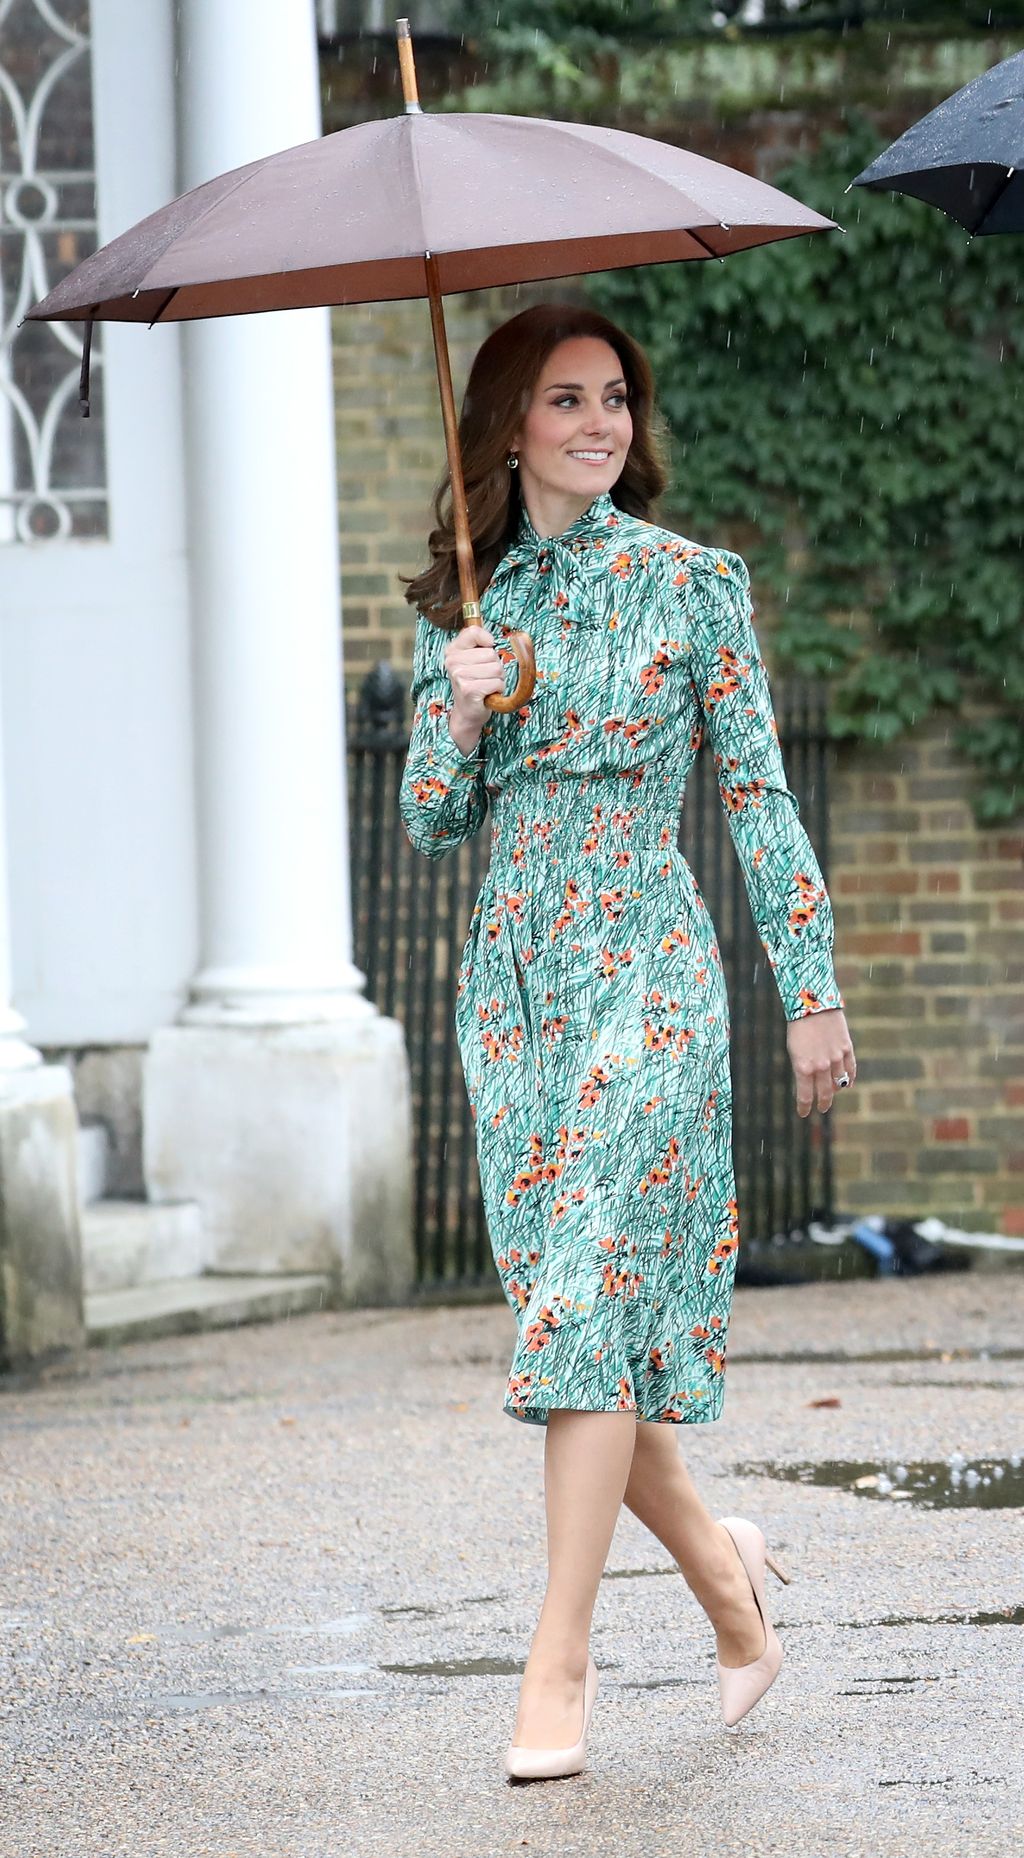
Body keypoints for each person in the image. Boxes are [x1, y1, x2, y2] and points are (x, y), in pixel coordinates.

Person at [398, 303, 856, 1783]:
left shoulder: (692, 586)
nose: (600, 422)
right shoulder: (465, 608)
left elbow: (760, 800)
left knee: (588, 1301)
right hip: (514, 991)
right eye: (566, 400)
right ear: (510, 427)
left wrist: (812, 987)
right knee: (578, 1330)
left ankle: (561, 1654)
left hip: (647, 974)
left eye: (615, 398)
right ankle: (732, 1581)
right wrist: (458, 715)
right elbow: (426, 820)